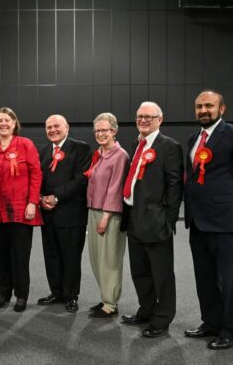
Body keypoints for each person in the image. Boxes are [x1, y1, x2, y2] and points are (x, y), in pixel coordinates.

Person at [183, 90, 233, 350]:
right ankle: (212, 322)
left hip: (227, 221)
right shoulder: (194, 138)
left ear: (222, 109)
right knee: (204, 277)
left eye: (208, 105)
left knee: (229, 280)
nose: (203, 110)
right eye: (199, 106)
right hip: (198, 221)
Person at [120, 102, 183, 338]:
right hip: (133, 217)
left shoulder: (169, 146)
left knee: (162, 273)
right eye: (139, 116)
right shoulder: (136, 144)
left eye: (149, 116)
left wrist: (169, 220)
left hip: (156, 221)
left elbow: (175, 186)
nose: (143, 120)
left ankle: (162, 318)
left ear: (160, 119)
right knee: (140, 271)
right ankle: (146, 310)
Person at [0, 107, 43, 312]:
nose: (3, 124)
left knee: (20, 255)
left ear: (14, 123)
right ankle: (4, 293)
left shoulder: (26, 144)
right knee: (0, 254)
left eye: (7, 121)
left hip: (21, 208)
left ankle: (21, 295)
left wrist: (32, 202)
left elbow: (36, 174)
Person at [38, 115, 91, 313]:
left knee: (70, 257)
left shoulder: (81, 148)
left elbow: (81, 180)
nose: (52, 130)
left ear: (67, 127)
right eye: (48, 127)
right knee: (51, 255)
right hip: (48, 214)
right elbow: (37, 178)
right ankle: (56, 292)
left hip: (71, 214)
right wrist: (41, 198)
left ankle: (71, 295)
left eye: (56, 126)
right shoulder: (43, 151)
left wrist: (56, 197)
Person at [85, 112, 129, 319]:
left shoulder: (120, 156)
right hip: (93, 210)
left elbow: (115, 188)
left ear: (114, 131)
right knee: (96, 259)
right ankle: (105, 298)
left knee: (109, 259)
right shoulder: (100, 154)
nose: (101, 134)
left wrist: (105, 217)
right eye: (98, 130)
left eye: (105, 130)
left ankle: (110, 304)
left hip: (108, 214)